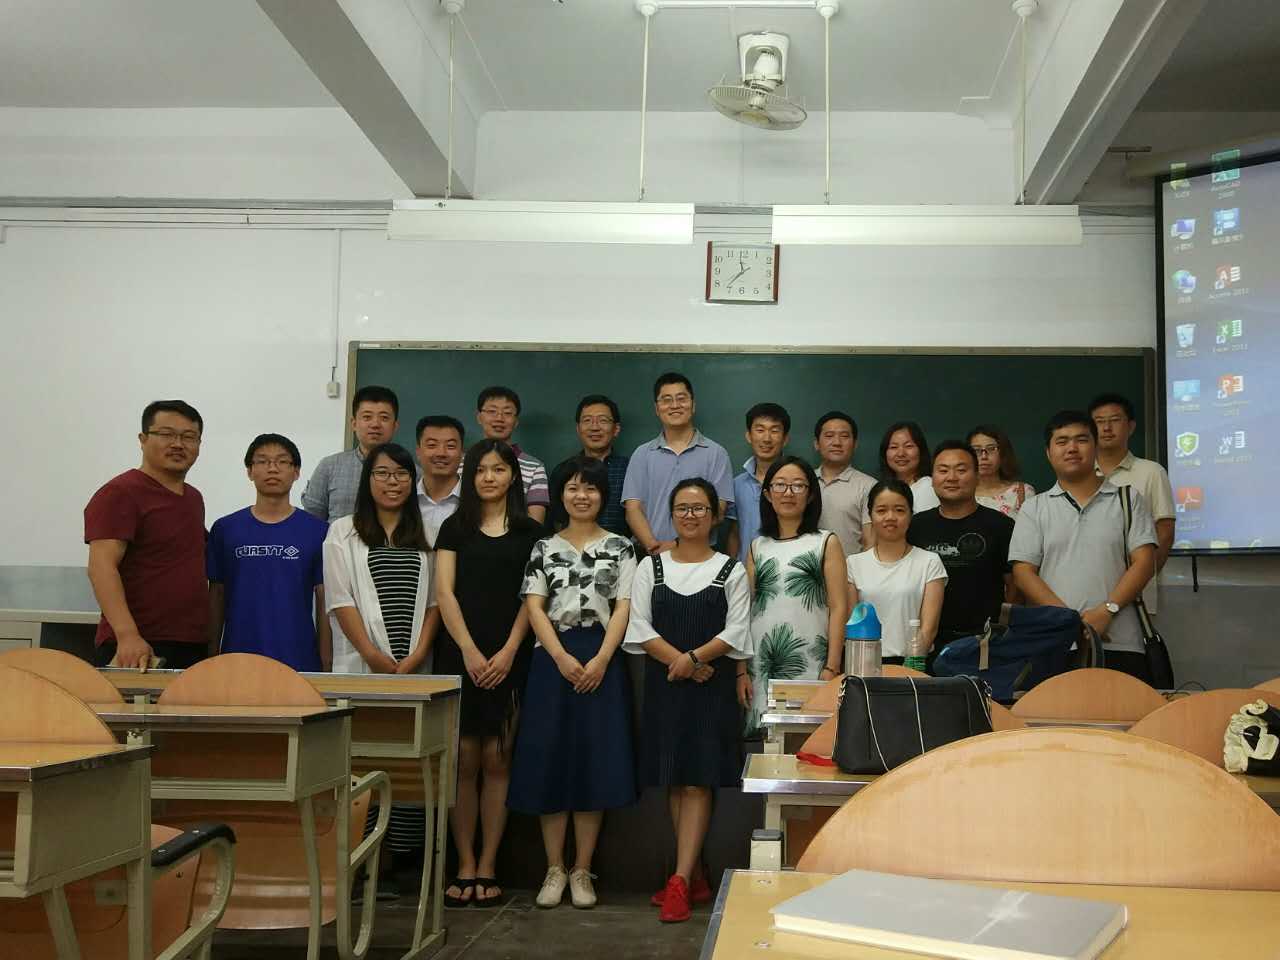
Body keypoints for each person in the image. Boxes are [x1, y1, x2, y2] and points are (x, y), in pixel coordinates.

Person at [509, 456, 638, 910]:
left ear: (603, 496)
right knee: (551, 759)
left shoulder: (622, 547)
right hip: (552, 659)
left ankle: (582, 869)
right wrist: (561, 657)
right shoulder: (544, 547)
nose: (581, 496)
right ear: (560, 494)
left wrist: (601, 659)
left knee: (593, 762)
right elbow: (534, 606)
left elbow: (624, 606)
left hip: (603, 657)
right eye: (572, 488)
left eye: (591, 488)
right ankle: (554, 869)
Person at [623, 478, 751, 924]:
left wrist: (694, 659)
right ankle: (693, 875)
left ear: (715, 516)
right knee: (675, 781)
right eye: (682, 508)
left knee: (698, 782)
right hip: (666, 685)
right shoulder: (651, 566)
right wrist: (681, 663)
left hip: (711, 686)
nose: (690, 515)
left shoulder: (731, 569)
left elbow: (737, 630)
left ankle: (678, 880)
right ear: (671, 514)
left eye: (699, 508)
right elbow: (639, 627)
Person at [323, 441, 438, 892]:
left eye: (402, 474)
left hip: (413, 669)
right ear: (367, 480)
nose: (393, 482)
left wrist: (416, 656)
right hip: (361, 666)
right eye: (383, 473)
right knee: (360, 761)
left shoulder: (427, 532)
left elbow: (436, 602)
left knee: (408, 764)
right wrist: (372, 656)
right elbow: (340, 600)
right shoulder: (343, 531)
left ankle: (399, 862)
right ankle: (358, 862)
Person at [434, 440, 543, 908]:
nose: (489, 477)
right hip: (460, 654)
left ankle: (488, 863)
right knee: (463, 760)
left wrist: (508, 651)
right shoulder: (454, 527)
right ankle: (463, 862)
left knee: (499, 758)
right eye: (481, 470)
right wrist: (469, 651)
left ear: (513, 476)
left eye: (498, 469)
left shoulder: (530, 532)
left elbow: (532, 597)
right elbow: (445, 592)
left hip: (510, 656)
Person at [1010, 411, 1158, 681]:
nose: (1072, 448)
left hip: (1120, 641)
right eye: (1062, 441)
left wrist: (1107, 610)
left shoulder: (1127, 499)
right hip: (1055, 643)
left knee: (1124, 708)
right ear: (1048, 453)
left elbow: (1145, 562)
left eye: (1081, 440)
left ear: (1095, 447)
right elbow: (1023, 572)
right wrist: (1070, 622)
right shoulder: (1035, 508)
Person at [85, 400, 209, 670]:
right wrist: (127, 635)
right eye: (166, 434)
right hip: (139, 647)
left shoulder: (193, 498)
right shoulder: (121, 492)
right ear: (143, 439)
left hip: (191, 643)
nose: (178, 444)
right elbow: (101, 567)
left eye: (189, 437)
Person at [737, 457, 845, 736]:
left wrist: (832, 667)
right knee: (765, 742)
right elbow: (744, 611)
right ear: (767, 494)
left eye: (798, 486)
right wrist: (741, 670)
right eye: (780, 485)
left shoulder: (826, 541)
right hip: (762, 663)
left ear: (810, 495)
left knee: (805, 740)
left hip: (812, 663)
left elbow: (838, 607)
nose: (788, 493)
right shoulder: (757, 546)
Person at [207, 433, 331, 671]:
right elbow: (216, 595)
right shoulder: (226, 529)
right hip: (236, 659)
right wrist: (210, 656)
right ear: (249, 471)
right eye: (262, 461)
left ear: (296, 472)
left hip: (299, 659)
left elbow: (324, 599)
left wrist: (326, 662)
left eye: (282, 461)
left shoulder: (318, 531)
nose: (272, 468)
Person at [907, 442, 1015, 653]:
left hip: (985, 644)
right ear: (932, 479)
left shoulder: (1001, 526)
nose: (951, 477)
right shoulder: (915, 526)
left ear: (977, 476)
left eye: (961, 470)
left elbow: (1014, 586)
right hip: (926, 642)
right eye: (943, 470)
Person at [622, 372, 734, 557]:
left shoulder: (716, 454)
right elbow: (633, 509)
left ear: (693, 405)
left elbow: (718, 511)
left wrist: (676, 545)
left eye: (681, 399)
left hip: (700, 556)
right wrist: (653, 547)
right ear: (657, 408)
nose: (674, 405)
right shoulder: (642, 454)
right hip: (650, 554)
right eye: (666, 400)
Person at [1088, 393, 1176, 618]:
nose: (1106, 428)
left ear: (1131, 427)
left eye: (1115, 420)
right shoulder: (1080, 475)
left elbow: (1165, 532)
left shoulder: (1151, 472)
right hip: (1087, 595)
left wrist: (1140, 579)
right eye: (1099, 421)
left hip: (1137, 598)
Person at [845, 479, 948, 663]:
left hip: (913, 663)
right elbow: (852, 626)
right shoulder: (854, 564)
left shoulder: (929, 562)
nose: (890, 517)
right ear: (870, 516)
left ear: (911, 515)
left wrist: (911, 666)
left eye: (899, 510)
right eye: (881, 510)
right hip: (864, 663)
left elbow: (928, 629)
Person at [303, 385, 399, 521]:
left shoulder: (410, 472)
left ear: (395, 426)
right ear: (354, 424)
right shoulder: (329, 467)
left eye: (384, 418)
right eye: (367, 417)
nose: (375, 424)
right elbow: (311, 521)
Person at [546, 395, 631, 538]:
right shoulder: (564, 470)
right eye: (587, 420)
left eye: (603, 420)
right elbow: (555, 519)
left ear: (616, 429)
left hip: (620, 548)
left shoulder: (629, 469)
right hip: (571, 547)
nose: (594, 427)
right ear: (578, 429)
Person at [725, 403, 791, 564]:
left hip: (786, 569)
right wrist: (733, 570)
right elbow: (735, 533)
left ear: (785, 439)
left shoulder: (797, 483)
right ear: (749, 436)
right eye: (760, 430)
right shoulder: (737, 484)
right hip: (746, 571)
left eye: (774, 431)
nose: (767, 439)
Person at [475, 385, 550, 524]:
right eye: (492, 411)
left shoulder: (535, 467)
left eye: (507, 413)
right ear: (479, 417)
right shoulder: (462, 463)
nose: (499, 418)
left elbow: (535, 525)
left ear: (516, 422)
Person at [814, 411, 877, 558]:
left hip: (851, 570)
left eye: (844, 436)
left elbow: (870, 542)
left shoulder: (869, 486)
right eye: (829, 436)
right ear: (816, 444)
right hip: (807, 570)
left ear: (855, 444)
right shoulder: (802, 482)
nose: (837, 442)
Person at [415, 414, 465, 546]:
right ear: (418, 451)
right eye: (432, 445)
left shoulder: (476, 500)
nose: (441, 453)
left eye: (450, 446)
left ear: (462, 453)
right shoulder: (403, 500)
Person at [967, 424, 1036, 518]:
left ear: (1003, 453)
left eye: (991, 448)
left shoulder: (1023, 492)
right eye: (976, 450)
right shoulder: (959, 493)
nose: (984, 456)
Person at [878, 421, 939, 518]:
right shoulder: (884, 489)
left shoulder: (928, 487)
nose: (901, 453)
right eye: (894, 447)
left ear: (921, 450)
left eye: (908, 446)